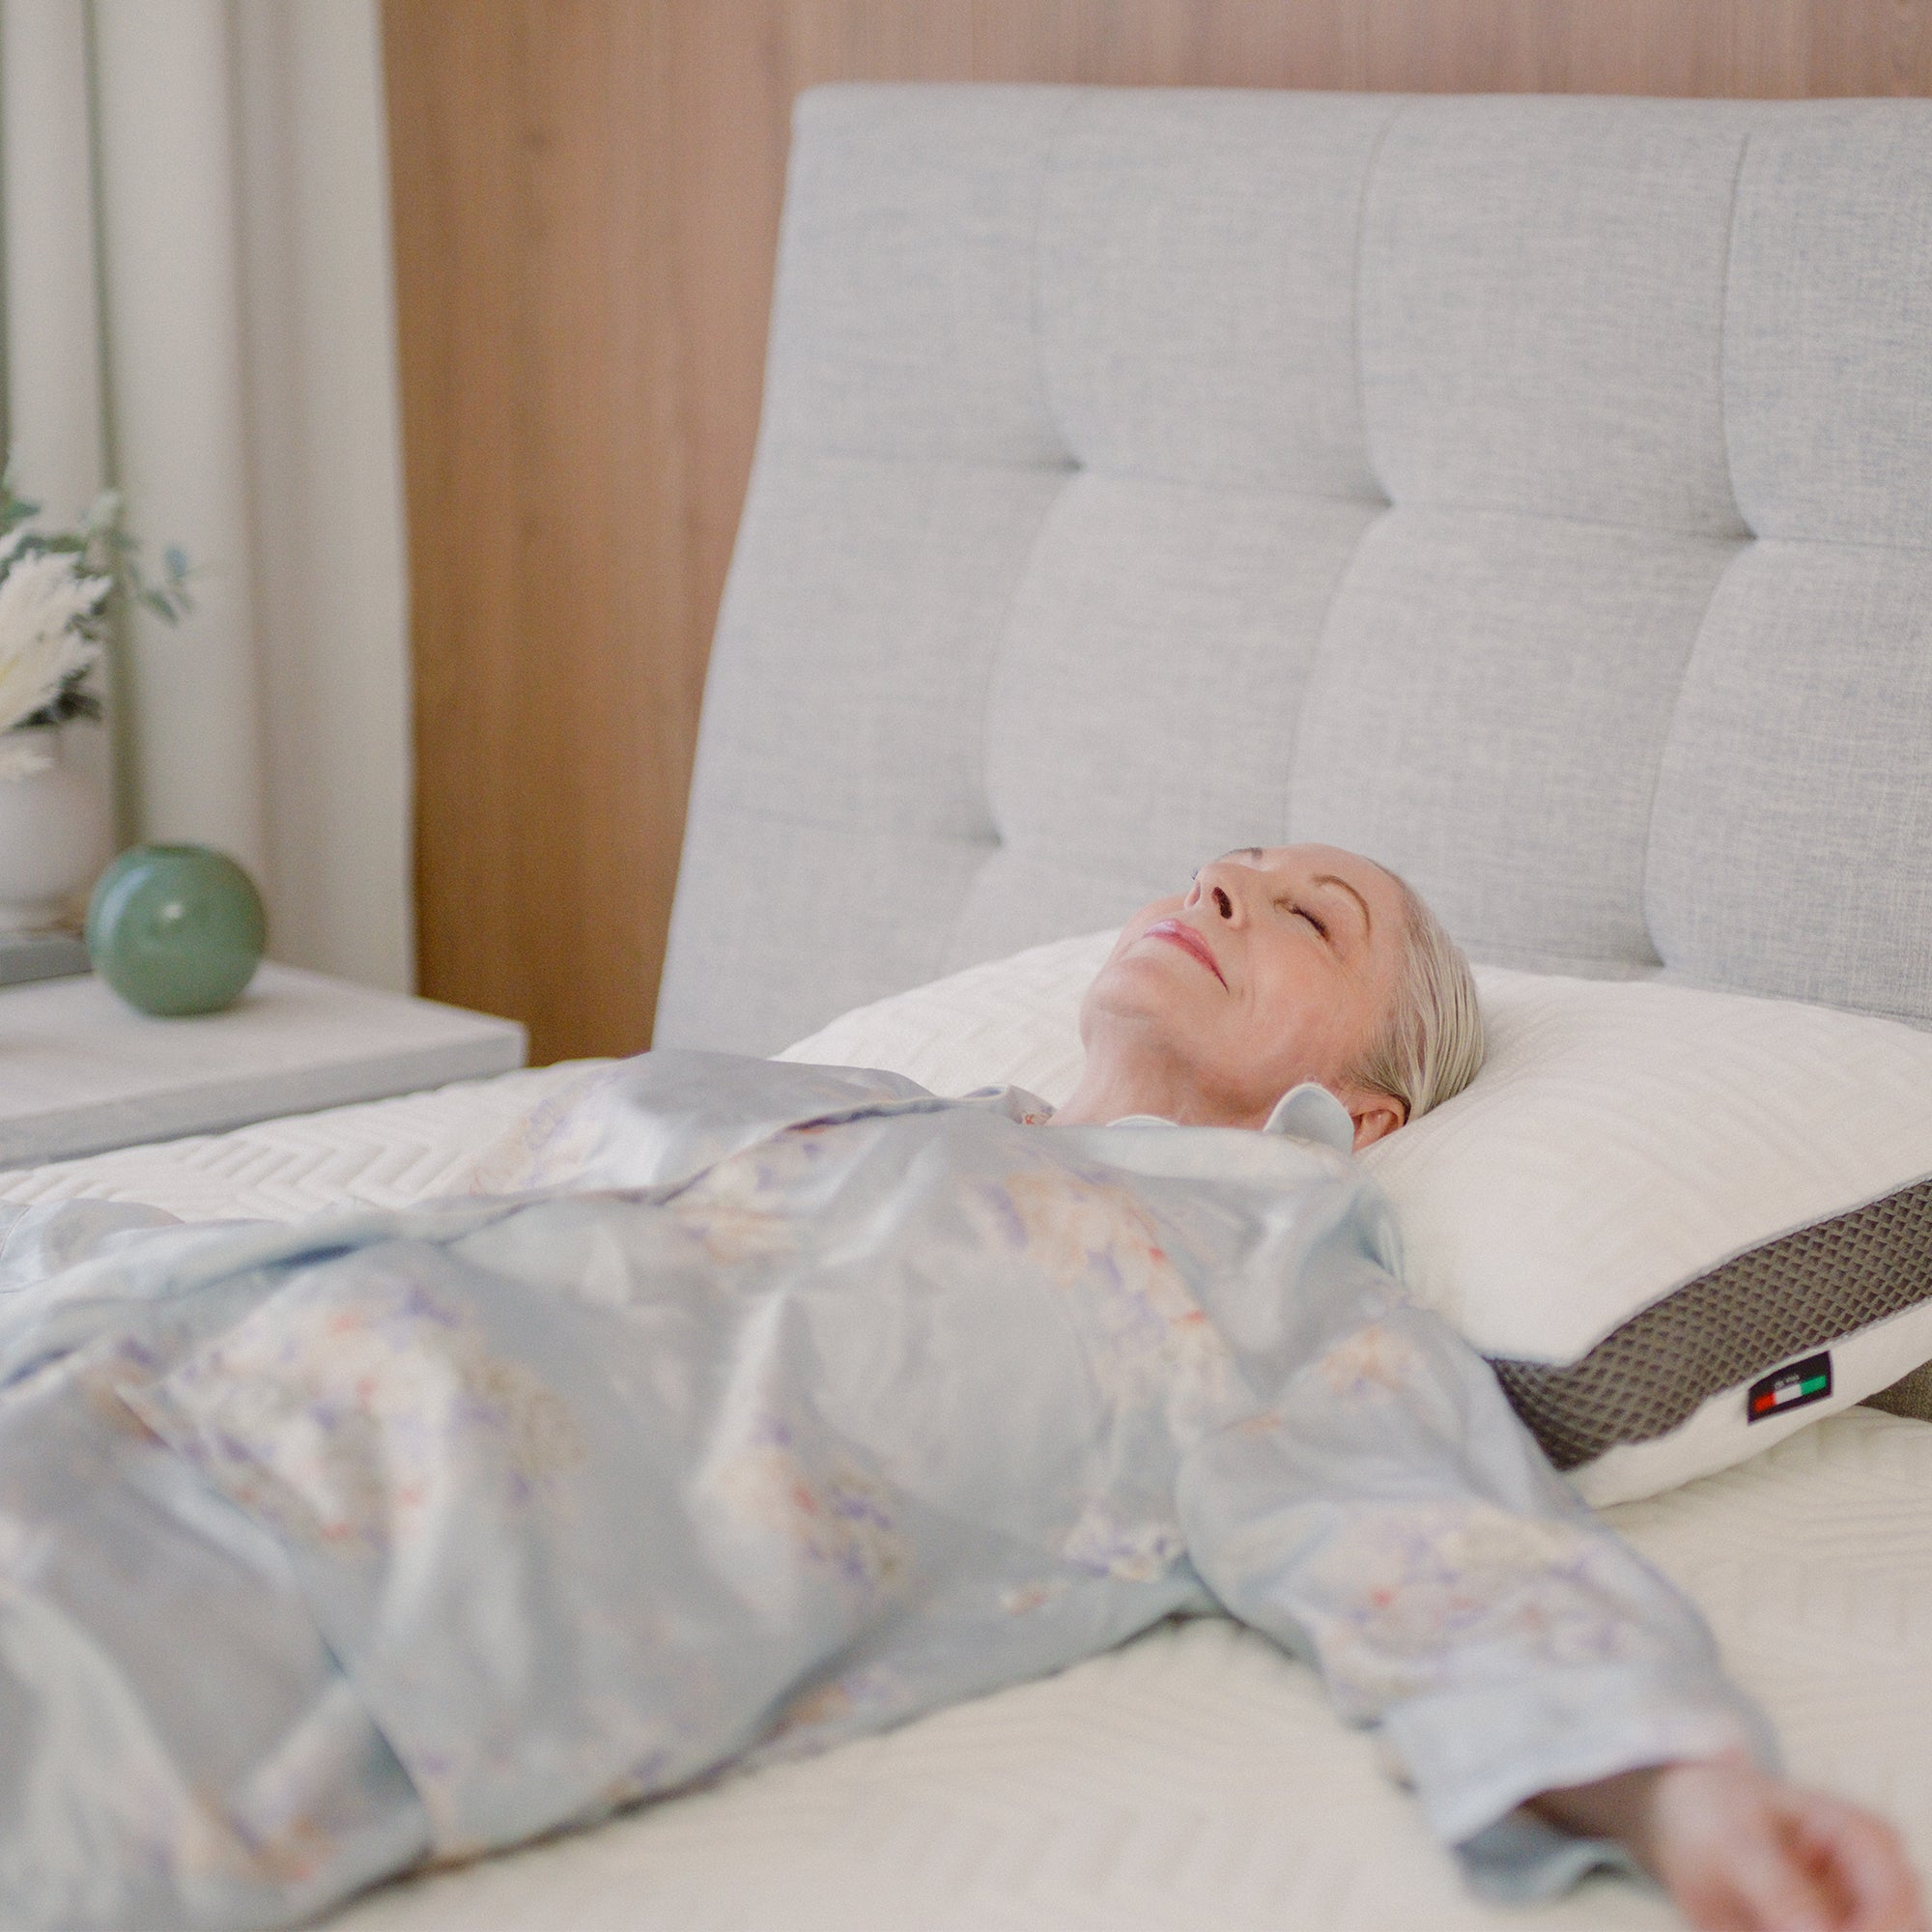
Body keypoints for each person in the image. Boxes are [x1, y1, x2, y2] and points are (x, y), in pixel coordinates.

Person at [0, 845, 1919, 1932]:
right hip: (129, 1369)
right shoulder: (832, 1110)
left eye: (1303, 916)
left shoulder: (1247, 1271)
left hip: (319, 1596)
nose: (1228, 887)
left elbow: (1443, 1553)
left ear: (1372, 1100)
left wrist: (1688, 1801)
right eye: (1230, 865)